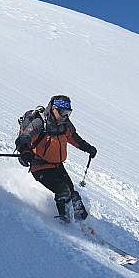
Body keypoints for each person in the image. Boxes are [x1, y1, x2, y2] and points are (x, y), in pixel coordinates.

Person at [15, 95, 97, 223]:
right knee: (62, 190)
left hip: (57, 165)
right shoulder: (40, 123)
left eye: (68, 113)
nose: (66, 116)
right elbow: (23, 138)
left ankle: (83, 221)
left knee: (72, 193)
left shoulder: (65, 125)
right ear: (54, 109)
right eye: (63, 112)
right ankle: (66, 223)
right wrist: (25, 152)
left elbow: (74, 138)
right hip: (40, 166)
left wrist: (88, 148)